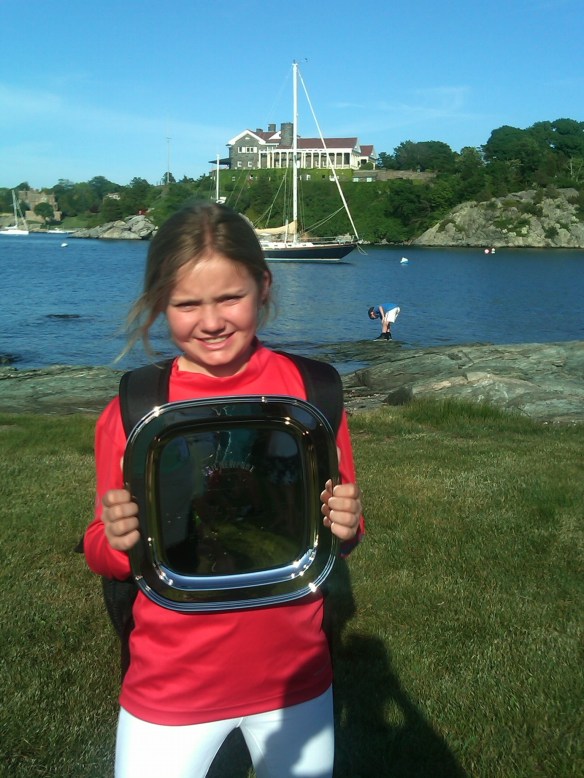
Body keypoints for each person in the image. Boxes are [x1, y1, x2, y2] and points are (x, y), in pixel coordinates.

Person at [83, 202, 364, 778]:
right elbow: (101, 550)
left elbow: (337, 535)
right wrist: (115, 538)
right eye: (187, 304)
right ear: (160, 302)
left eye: (230, 297)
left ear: (263, 286)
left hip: (295, 676)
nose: (210, 321)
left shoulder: (313, 392)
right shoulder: (136, 410)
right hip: (171, 683)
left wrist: (347, 523)